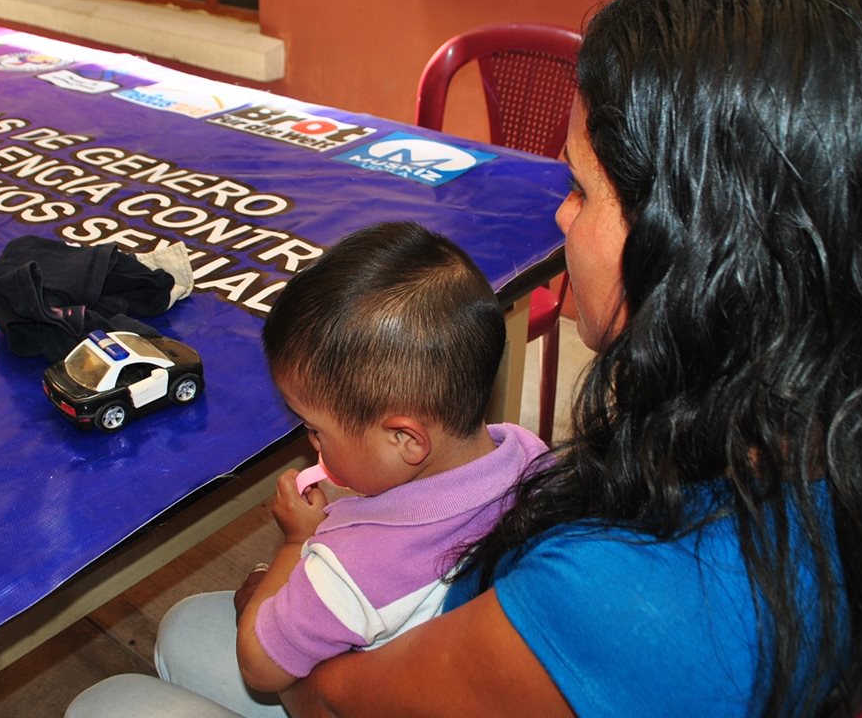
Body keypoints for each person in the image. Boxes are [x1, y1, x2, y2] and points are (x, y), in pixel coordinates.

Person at [68, 0, 862, 717]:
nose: (560, 218)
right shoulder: (826, 444)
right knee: (194, 629)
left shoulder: (630, 600)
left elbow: (337, 694)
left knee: (121, 691)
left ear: (704, 255)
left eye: (583, 189)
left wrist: (295, 587)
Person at [69, 220, 547, 717]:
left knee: (101, 705)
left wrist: (298, 543)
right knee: (185, 623)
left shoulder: (357, 563)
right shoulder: (530, 456)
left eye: (316, 429)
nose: (309, 441)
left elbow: (259, 664)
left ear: (405, 439)